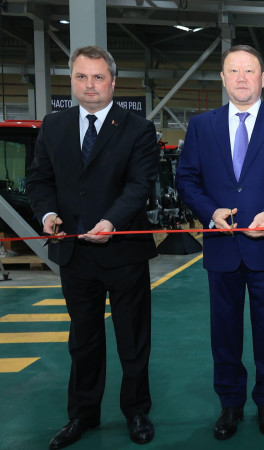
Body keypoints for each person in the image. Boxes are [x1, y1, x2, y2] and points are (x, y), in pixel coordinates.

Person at [27, 46, 159, 448]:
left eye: (98, 77)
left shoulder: (137, 128)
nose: (90, 85)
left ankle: (136, 411)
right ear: (71, 81)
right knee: (83, 339)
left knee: (132, 339)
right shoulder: (54, 126)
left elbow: (139, 185)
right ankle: (82, 414)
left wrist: (112, 221)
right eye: (81, 77)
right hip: (75, 254)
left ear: (112, 82)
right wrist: (48, 214)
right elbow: (39, 180)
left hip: (123, 252)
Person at [175, 45, 264, 440]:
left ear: (263, 78)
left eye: (249, 70)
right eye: (233, 70)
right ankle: (230, 404)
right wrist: (210, 212)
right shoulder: (202, 126)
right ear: (222, 78)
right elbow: (186, 179)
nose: (242, 78)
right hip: (222, 246)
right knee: (225, 332)